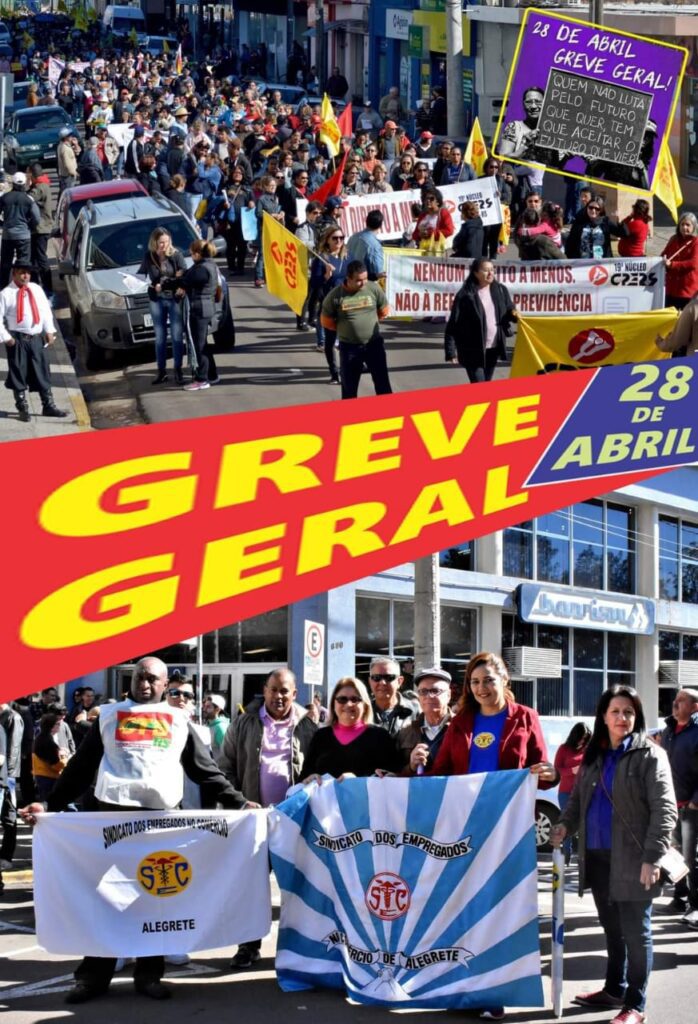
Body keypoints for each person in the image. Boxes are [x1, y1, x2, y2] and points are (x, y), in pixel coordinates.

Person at [20, 656, 253, 1004]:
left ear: (165, 685)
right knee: (106, 900)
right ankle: (93, 978)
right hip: (111, 820)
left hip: (161, 822)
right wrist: (49, 805)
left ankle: (149, 975)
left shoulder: (177, 720)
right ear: (130, 680)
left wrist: (239, 803)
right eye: (139, 677)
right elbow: (81, 768)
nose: (144, 684)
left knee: (154, 899)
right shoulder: (110, 716)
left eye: (153, 679)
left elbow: (205, 771)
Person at [429, 651, 556, 1022]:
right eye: (475, 681)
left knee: (499, 913)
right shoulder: (461, 721)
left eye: (488, 679)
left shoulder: (525, 717)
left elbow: (543, 770)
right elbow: (441, 772)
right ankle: (460, 987)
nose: (482, 688)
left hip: (508, 833)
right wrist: (404, 777)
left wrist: (549, 773)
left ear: (504, 680)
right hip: (463, 832)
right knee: (461, 909)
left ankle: (493, 991)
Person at [551, 685, 677, 1024]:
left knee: (637, 933)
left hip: (636, 860)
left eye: (629, 712)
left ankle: (635, 1005)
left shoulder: (650, 755)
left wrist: (652, 857)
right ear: (603, 717)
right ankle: (614, 988)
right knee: (612, 930)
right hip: (597, 856)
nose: (623, 718)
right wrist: (564, 825)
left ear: (636, 717)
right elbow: (577, 802)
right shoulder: (594, 755)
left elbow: (665, 810)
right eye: (616, 712)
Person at [217, 668, 316, 968]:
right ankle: (248, 946)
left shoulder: (308, 726)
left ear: (295, 694)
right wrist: (238, 804)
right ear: (265, 689)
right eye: (274, 689)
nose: (279, 696)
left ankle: (300, 950)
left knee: (298, 887)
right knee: (252, 888)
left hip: (294, 822)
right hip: (254, 821)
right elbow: (225, 768)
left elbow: (317, 769)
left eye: (285, 690)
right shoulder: (244, 723)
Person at [0, 261, 68, 422]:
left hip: (37, 338)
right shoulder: (6, 293)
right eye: (22, 273)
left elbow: (45, 311)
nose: (26, 276)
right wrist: (7, 338)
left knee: (42, 370)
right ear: (15, 273)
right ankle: (22, 407)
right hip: (18, 340)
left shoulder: (36, 289)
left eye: (28, 273)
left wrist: (49, 330)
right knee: (19, 373)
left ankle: (48, 405)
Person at [301, 677, 402, 781]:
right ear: (333, 704)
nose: (348, 704)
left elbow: (393, 779)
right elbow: (304, 777)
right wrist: (309, 779)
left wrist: (357, 782)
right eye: (342, 699)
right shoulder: (320, 736)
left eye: (355, 699)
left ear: (365, 705)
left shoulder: (380, 737)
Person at [320, 260, 391, 400]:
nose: (363, 283)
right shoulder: (335, 296)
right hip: (349, 349)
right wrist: (346, 330)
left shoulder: (373, 289)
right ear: (348, 278)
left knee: (383, 385)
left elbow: (383, 311)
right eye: (359, 280)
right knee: (349, 390)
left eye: (365, 279)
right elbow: (326, 322)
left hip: (373, 345)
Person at [659, 689, 698, 927]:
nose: (675, 703)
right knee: (673, 856)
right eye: (675, 699)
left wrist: (696, 800)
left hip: (692, 806)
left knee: (691, 858)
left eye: (681, 700)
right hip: (670, 805)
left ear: (695, 707)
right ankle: (680, 897)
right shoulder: (669, 731)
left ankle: (696, 905)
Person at [444, 257, 517, 383]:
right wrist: (451, 351)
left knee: (485, 386)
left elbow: (509, 308)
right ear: (476, 273)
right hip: (472, 350)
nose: (490, 273)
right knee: (479, 384)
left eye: (492, 270)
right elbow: (453, 324)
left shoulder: (500, 289)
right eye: (485, 270)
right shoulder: (465, 295)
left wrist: (514, 313)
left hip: (493, 349)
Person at [138, 227, 186, 386]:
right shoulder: (149, 256)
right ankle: (161, 371)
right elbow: (140, 276)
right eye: (160, 243)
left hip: (173, 299)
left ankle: (178, 370)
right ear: (154, 242)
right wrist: (149, 284)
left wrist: (179, 285)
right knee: (160, 337)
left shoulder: (176, 255)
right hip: (156, 300)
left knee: (177, 336)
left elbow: (183, 274)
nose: (163, 245)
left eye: (166, 242)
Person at [176, 240, 220, 391]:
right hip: (205, 308)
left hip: (199, 309)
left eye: (191, 252)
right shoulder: (208, 264)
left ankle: (202, 379)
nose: (190, 255)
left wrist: (169, 283)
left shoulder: (202, 269)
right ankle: (212, 375)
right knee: (203, 344)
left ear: (197, 253)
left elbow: (187, 280)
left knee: (199, 346)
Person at [310, 224, 349, 383]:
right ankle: (334, 373)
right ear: (327, 240)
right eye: (335, 238)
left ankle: (348, 369)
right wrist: (326, 275)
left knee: (349, 340)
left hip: (347, 305)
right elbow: (314, 283)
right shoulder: (321, 259)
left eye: (341, 238)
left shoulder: (347, 256)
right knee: (330, 342)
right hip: (329, 306)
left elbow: (356, 275)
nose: (339, 241)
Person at [399, 667, 453, 772]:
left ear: (448, 695)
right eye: (423, 691)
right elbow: (398, 774)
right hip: (418, 788)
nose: (429, 696)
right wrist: (411, 767)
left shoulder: (463, 728)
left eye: (435, 691)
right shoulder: (406, 732)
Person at [554, 722, 592, 864]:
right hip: (566, 792)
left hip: (585, 791)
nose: (583, 741)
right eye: (581, 738)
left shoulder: (588, 750)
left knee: (585, 825)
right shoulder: (564, 749)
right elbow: (557, 769)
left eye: (586, 738)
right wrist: (572, 771)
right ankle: (566, 857)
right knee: (567, 823)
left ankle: (584, 858)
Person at [0, 173, 40, 289]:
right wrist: (29, 227)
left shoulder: (4, 198)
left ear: (13, 183)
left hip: (8, 236)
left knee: (5, 264)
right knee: (24, 264)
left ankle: (3, 288)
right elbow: (36, 218)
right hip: (24, 236)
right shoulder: (28, 199)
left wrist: (3, 225)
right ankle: (22, 288)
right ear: (24, 184)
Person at [0, 701, 23, 882]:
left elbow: (13, 748)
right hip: (5, 774)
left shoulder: (12, 717)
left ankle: (6, 856)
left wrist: (9, 776)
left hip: (7, 775)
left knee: (10, 816)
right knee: (8, 816)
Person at [368, 657, 419, 737]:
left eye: (389, 678)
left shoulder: (416, 711)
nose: (382, 682)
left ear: (399, 681)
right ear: (370, 681)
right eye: (376, 678)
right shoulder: (362, 711)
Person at [565, 196, 628, 260]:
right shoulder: (579, 222)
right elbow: (570, 243)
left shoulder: (605, 222)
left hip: (602, 264)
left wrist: (620, 222)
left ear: (601, 210)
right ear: (587, 208)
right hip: (582, 265)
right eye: (591, 208)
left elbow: (624, 234)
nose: (593, 210)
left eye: (597, 209)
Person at [26, 163, 54, 301]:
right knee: (33, 259)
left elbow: (27, 200)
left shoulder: (39, 188)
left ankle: (47, 289)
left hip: (40, 228)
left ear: (32, 174)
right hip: (39, 228)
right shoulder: (42, 185)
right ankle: (36, 286)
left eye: (28, 173)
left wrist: (26, 182)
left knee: (40, 259)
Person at [661, 212, 698, 311]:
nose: (684, 227)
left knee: (683, 321)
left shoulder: (696, 242)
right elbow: (663, 254)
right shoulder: (674, 239)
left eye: (688, 225)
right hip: (671, 288)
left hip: (686, 290)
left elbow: (694, 263)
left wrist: (672, 264)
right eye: (682, 224)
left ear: (694, 227)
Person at [411, 189, 455, 254]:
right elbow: (414, 235)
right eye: (426, 198)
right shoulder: (422, 215)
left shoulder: (443, 213)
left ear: (438, 202)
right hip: (425, 251)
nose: (428, 201)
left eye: (431, 199)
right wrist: (420, 235)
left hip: (440, 251)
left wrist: (430, 233)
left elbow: (449, 231)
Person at [346, 211, 385, 281]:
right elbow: (378, 272)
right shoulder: (375, 245)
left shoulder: (353, 237)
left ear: (366, 221)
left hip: (350, 281)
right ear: (381, 225)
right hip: (365, 284)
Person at [203, 694, 230, 760]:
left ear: (217, 709)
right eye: (205, 706)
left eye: (208, 707)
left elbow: (228, 752)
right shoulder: (207, 724)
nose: (204, 709)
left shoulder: (221, 727)